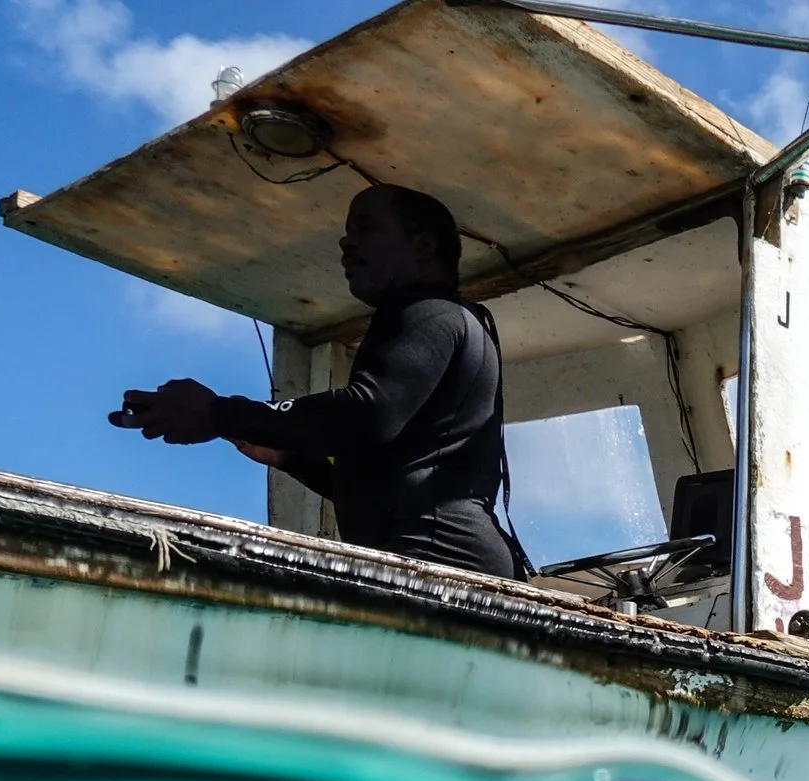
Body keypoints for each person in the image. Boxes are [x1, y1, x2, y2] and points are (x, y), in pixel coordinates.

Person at [111, 184, 522, 579]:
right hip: (449, 566)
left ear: (424, 247)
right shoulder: (452, 320)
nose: (346, 244)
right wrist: (289, 458)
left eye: (366, 228)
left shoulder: (426, 312)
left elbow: (365, 414)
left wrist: (220, 412)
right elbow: (388, 483)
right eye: (347, 233)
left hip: (441, 567)